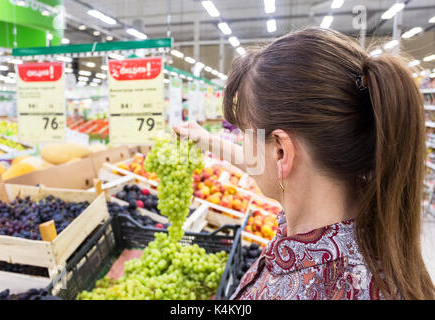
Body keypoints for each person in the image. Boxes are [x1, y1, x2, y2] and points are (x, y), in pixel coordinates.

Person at [174, 27, 435, 300]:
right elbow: (262, 163)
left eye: (245, 134)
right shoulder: (370, 234)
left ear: (281, 153)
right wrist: (205, 139)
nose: (244, 147)